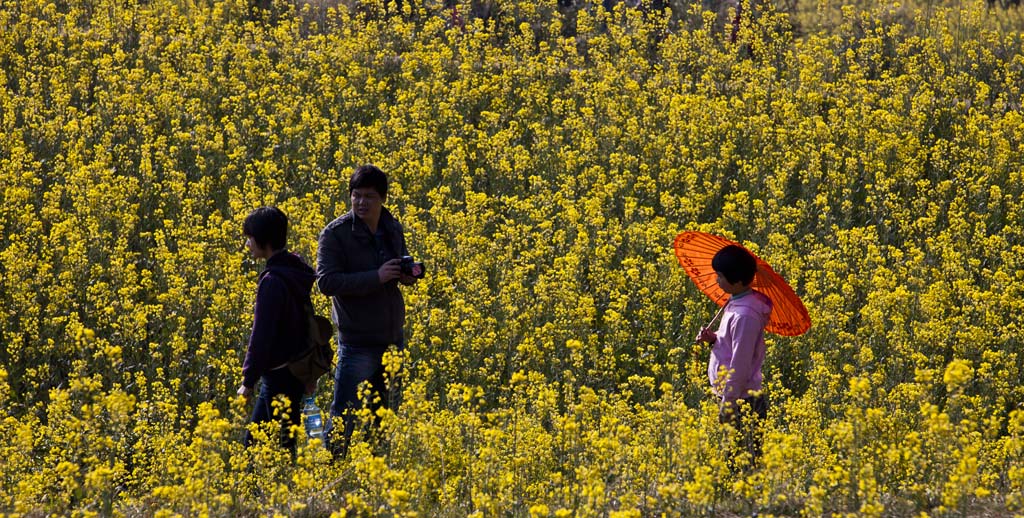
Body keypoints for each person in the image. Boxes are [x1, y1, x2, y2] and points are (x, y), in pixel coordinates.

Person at [316, 165, 419, 454]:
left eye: (369, 197)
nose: (361, 202)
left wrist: (404, 276)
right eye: (356, 196)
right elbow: (326, 282)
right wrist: (376, 277)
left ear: (383, 198)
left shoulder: (391, 227)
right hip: (357, 341)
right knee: (344, 414)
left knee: (382, 415)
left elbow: (395, 269)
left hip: (391, 336)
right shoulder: (335, 234)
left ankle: (375, 476)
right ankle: (330, 470)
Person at [238, 206, 316, 450]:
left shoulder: (273, 281)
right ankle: (284, 485)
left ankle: (259, 488)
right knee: (285, 441)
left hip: (278, 375)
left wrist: (248, 381)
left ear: (265, 240)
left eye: (250, 238)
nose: (247, 244)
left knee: (253, 448)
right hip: (297, 370)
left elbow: (261, 335)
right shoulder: (296, 271)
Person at [695, 244, 772, 463]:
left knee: (743, 461)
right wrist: (714, 339)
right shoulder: (737, 301)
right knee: (732, 456)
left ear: (737, 281)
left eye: (720, 276)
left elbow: (740, 363)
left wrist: (728, 402)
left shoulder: (746, 315)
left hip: (741, 399)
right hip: (732, 394)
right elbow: (731, 343)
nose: (717, 280)